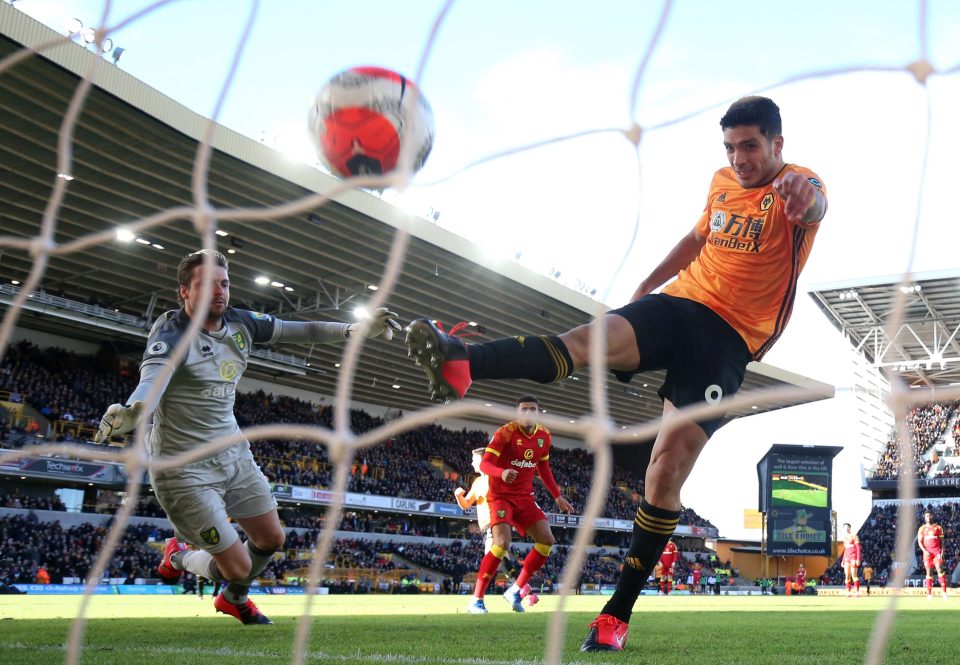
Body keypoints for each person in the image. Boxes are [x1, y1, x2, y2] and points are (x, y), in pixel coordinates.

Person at [404, 96, 826, 652]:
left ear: (777, 144)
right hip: (680, 303)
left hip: (729, 337)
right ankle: (462, 363)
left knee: (665, 471)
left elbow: (816, 205)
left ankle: (615, 616)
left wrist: (807, 197)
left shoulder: (799, 183)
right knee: (586, 340)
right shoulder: (721, 181)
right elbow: (699, 238)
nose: (740, 157)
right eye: (730, 147)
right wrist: (645, 289)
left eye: (750, 146)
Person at [94, 249, 400, 624]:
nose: (219, 292)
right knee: (237, 567)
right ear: (184, 294)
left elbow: (302, 330)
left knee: (271, 540)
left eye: (223, 283)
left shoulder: (240, 323)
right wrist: (134, 410)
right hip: (183, 468)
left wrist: (354, 330)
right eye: (206, 285)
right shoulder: (172, 332)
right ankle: (177, 555)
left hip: (232, 452)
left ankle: (233, 600)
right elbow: (153, 378)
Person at [456, 395, 574, 614]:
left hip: (525, 497)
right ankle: (476, 600)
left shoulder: (544, 436)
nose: (528, 413)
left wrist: (557, 495)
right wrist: (502, 473)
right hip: (500, 496)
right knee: (501, 543)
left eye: (532, 409)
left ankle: (515, 590)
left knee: (546, 540)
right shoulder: (505, 433)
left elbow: (543, 468)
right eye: (524, 409)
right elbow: (486, 463)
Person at [453, 447, 539, 612]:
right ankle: (522, 592)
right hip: (487, 528)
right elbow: (465, 505)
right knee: (500, 562)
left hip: (497, 524)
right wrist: (458, 496)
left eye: (474, 459)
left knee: (491, 560)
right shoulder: (477, 482)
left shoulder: (497, 479)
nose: (471, 463)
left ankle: (478, 601)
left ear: (484, 460)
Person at [917, 510, 948, 600]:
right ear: (924, 517)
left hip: (936, 552)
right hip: (927, 553)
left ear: (932, 516)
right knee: (929, 572)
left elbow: (942, 541)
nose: (928, 517)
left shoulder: (938, 528)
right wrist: (924, 551)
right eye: (926, 516)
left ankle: (944, 592)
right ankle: (929, 594)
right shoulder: (921, 529)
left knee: (939, 569)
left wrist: (942, 552)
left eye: (930, 516)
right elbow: (919, 542)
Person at [841, 522, 861, 597]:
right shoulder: (844, 538)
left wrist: (858, 558)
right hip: (846, 558)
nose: (846, 528)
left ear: (849, 528)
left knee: (854, 575)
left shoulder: (854, 536)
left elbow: (858, 548)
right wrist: (843, 560)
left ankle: (857, 591)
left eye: (847, 527)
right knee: (847, 575)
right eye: (844, 527)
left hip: (853, 557)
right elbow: (845, 550)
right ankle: (848, 591)